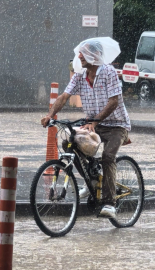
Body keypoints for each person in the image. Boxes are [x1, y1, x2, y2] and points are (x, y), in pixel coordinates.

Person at [41, 38, 131, 219]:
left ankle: (109, 203)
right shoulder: (80, 76)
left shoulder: (109, 72)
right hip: (93, 124)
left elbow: (114, 101)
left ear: (96, 55)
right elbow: (64, 96)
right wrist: (51, 115)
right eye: (79, 53)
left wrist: (96, 122)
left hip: (116, 125)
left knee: (108, 157)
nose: (79, 56)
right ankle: (91, 181)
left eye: (84, 53)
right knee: (69, 142)